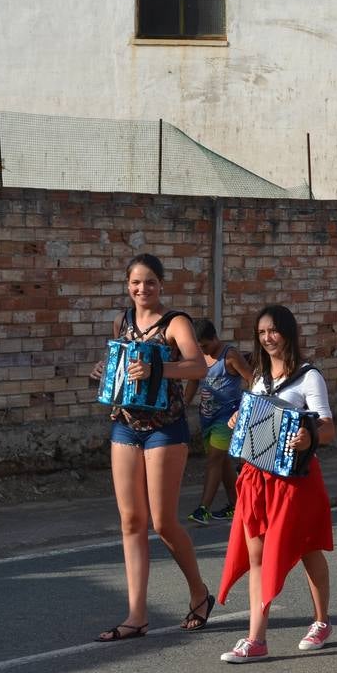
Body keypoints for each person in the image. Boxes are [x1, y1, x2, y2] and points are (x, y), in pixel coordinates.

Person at [92, 253, 212, 642]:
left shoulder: (175, 322)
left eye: (149, 282)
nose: (142, 289)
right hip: (126, 425)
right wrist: (103, 370)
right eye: (135, 283)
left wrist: (159, 368)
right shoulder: (122, 320)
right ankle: (136, 615)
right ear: (127, 285)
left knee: (163, 522)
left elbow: (198, 366)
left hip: (165, 428)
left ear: (161, 285)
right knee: (131, 522)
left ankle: (199, 592)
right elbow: (122, 362)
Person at [218, 305, 337, 663]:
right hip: (257, 477)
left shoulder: (308, 377)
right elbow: (255, 420)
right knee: (257, 555)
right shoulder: (258, 379)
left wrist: (307, 437)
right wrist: (239, 419)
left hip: (295, 480)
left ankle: (321, 620)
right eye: (262, 333)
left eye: (274, 331)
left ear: (288, 332)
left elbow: (328, 427)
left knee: (306, 549)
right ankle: (257, 638)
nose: (268, 338)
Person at [185, 318, 253, 525]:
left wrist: (244, 410)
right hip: (207, 417)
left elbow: (252, 380)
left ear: (214, 338)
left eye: (205, 345)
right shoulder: (199, 357)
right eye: (198, 347)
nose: (203, 350)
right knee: (221, 463)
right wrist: (182, 407)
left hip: (227, 418)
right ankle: (237, 504)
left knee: (214, 460)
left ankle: (203, 509)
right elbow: (193, 381)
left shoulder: (229, 356)